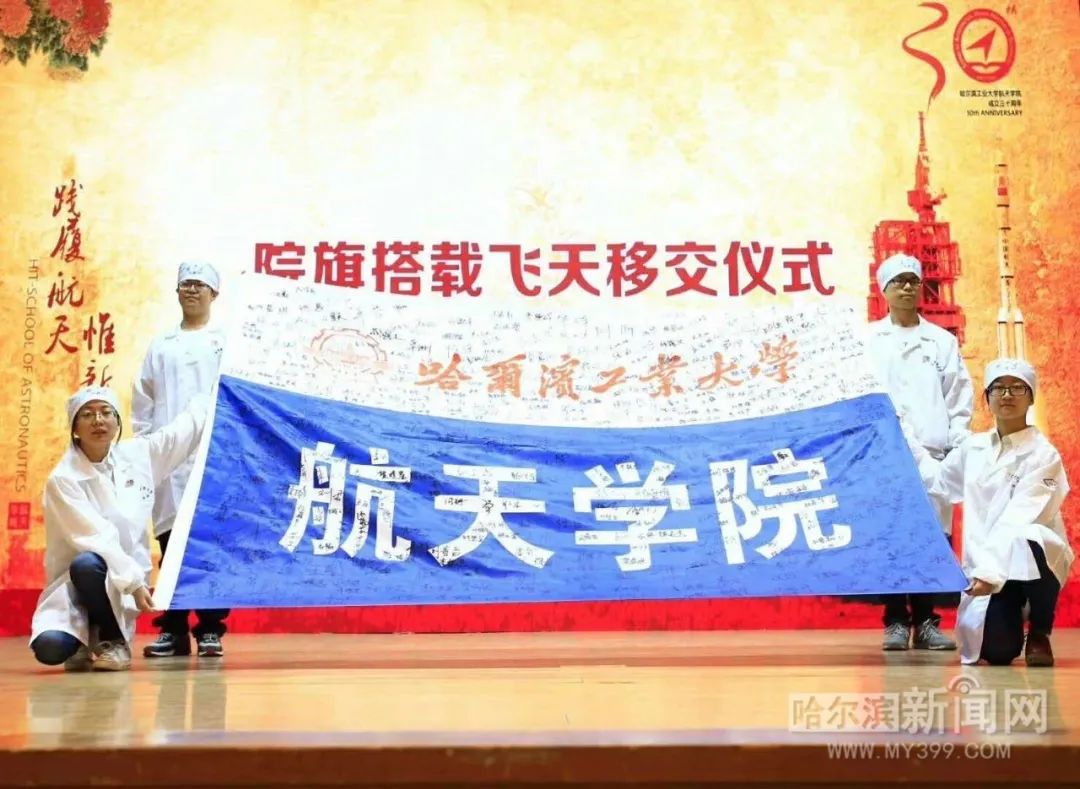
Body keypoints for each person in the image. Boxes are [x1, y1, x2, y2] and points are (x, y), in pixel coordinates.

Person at [905, 358, 1072, 666]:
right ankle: (1011, 610)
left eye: (1017, 387)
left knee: (1033, 537)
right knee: (997, 652)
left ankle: (1039, 630)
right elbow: (940, 482)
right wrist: (906, 439)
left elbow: (1019, 516)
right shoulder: (974, 448)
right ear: (987, 398)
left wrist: (988, 574)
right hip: (990, 566)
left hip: (1026, 561)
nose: (1007, 395)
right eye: (998, 388)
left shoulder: (1044, 455)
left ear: (1031, 397)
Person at [30, 387, 208, 671]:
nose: (98, 420)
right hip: (80, 580)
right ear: (74, 428)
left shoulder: (138, 456)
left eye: (106, 412)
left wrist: (211, 392)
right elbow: (96, 537)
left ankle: (112, 640)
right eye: (87, 414)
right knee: (50, 646)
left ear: (117, 422)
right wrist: (134, 583)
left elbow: (182, 433)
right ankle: (87, 637)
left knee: (89, 567)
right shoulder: (63, 479)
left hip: (116, 580)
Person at [868, 252, 973, 651]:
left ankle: (927, 622)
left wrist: (956, 442)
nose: (908, 287)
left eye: (913, 280)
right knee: (892, 536)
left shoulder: (942, 341)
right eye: (899, 281)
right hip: (886, 454)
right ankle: (896, 620)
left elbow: (958, 397)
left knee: (931, 539)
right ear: (884, 290)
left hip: (933, 454)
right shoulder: (867, 341)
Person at [132, 261, 228, 658]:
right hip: (168, 457)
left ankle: (210, 630)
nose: (191, 290)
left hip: (213, 456)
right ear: (176, 291)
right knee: (171, 543)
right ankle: (172, 629)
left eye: (199, 284)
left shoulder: (225, 342)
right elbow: (144, 399)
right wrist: (146, 448)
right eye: (185, 284)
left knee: (210, 545)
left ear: (214, 293)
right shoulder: (162, 345)